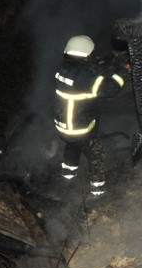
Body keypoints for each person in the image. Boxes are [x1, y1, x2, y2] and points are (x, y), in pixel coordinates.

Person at [54, 34, 126, 199]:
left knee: (72, 146)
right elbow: (108, 89)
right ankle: (98, 191)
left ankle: (67, 178)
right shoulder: (85, 76)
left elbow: (81, 72)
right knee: (96, 154)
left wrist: (101, 62)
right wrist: (123, 72)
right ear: (87, 54)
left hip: (65, 126)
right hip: (82, 128)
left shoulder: (64, 69)